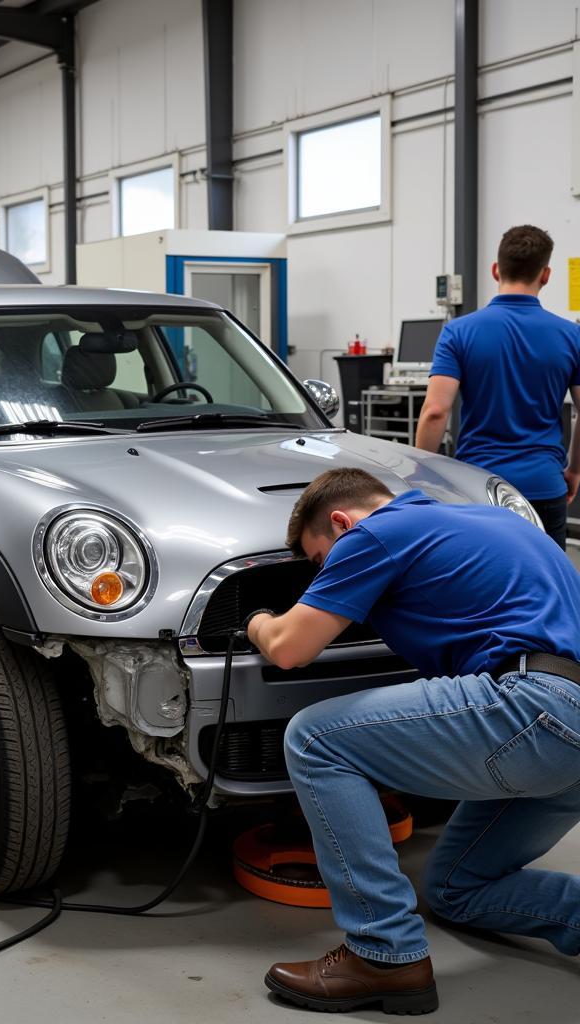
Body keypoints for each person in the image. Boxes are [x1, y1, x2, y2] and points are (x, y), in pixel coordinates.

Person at [244, 467, 580, 1015]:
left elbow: (288, 648)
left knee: (314, 739)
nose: (325, 574)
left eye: (319, 563)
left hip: (532, 710)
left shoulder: (373, 534)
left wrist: (258, 620)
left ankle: (384, 953)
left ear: (340, 521)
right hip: (568, 724)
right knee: (456, 887)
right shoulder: (496, 520)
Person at [415, 224, 580, 548]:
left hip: (478, 484)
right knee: (546, 583)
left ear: (495, 270)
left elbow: (436, 411)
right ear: (546, 275)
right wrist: (573, 470)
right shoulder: (571, 335)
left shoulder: (458, 332)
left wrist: (421, 477)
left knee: (482, 585)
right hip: (544, 484)